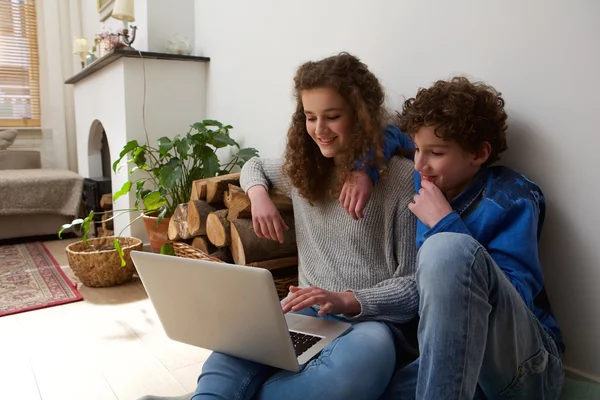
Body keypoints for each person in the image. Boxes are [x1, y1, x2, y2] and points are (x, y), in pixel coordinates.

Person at [137, 52, 419, 400]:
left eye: (333, 116)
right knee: (233, 350)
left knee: (356, 369)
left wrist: (348, 299)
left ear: (362, 116)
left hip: (371, 324)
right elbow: (254, 165)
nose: (319, 130)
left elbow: (412, 287)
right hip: (305, 313)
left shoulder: (403, 179)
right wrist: (258, 196)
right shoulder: (304, 170)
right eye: (310, 117)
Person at [343, 77, 565, 400]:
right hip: (459, 358)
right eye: (418, 149)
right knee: (370, 391)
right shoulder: (430, 174)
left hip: (528, 369)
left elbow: (516, 299)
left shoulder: (513, 199)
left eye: (435, 153)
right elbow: (394, 134)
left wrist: (445, 223)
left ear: (479, 153)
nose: (419, 164)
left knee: (446, 249)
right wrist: (364, 169)